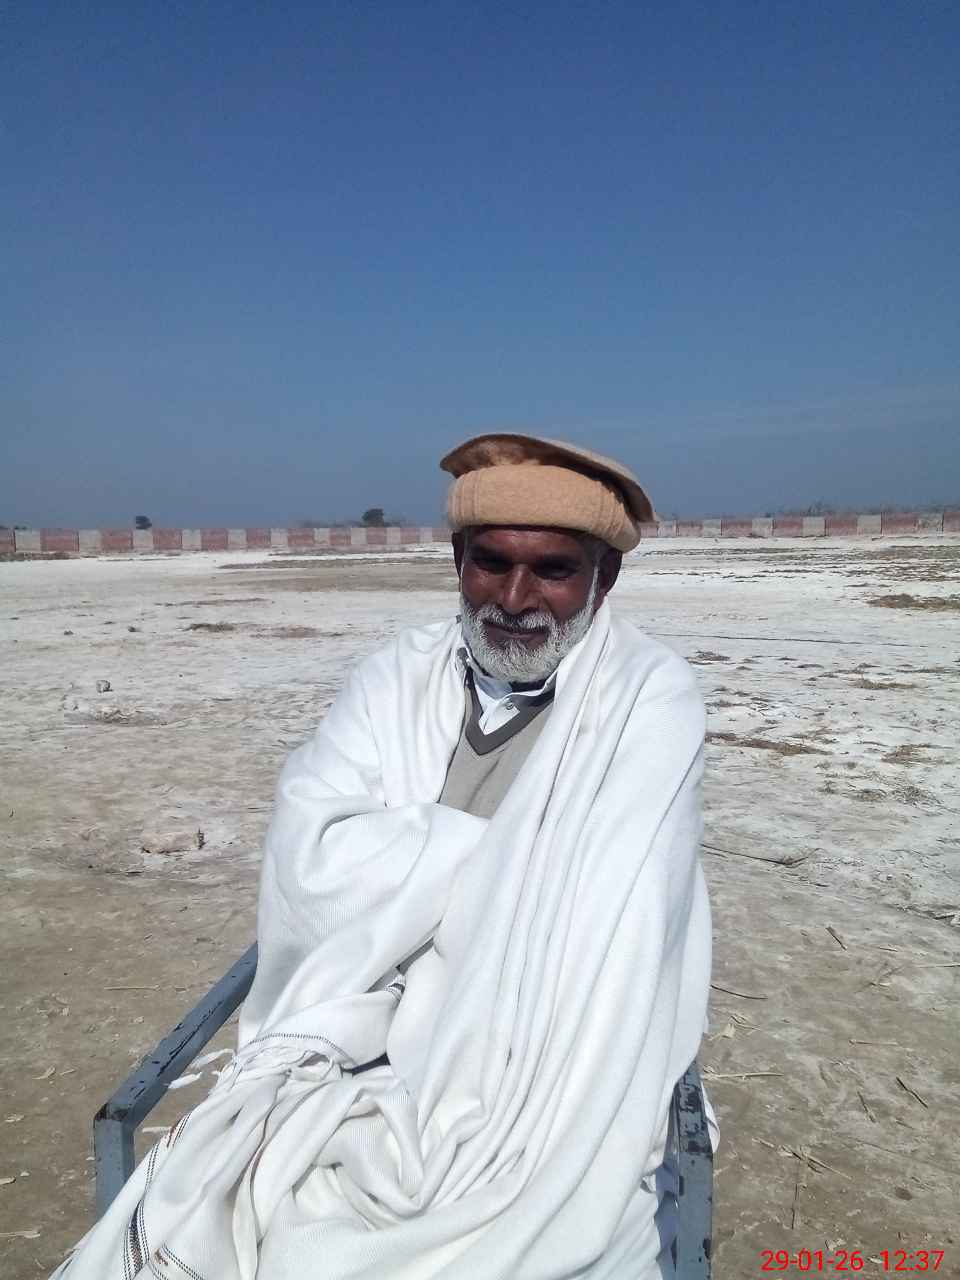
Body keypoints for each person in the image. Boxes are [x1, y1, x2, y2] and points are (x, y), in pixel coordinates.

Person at [54, 434, 712, 1280]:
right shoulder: (395, 677)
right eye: (490, 563)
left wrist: (419, 859)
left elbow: (608, 921)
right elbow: (313, 860)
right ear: (458, 560)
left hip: (536, 1052)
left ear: (603, 578)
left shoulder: (649, 701)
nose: (515, 598)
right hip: (360, 1028)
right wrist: (512, 866)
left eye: (553, 570)